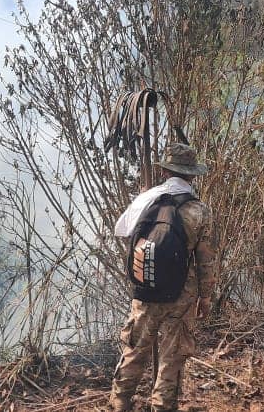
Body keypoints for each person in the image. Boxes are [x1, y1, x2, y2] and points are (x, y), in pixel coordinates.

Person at [110, 143, 217, 412]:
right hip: (182, 293)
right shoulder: (200, 211)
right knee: (172, 355)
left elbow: (123, 233)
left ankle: (120, 401)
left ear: (165, 171)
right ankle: (162, 405)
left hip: (146, 289)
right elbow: (205, 259)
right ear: (192, 175)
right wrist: (205, 297)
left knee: (135, 348)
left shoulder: (147, 200)